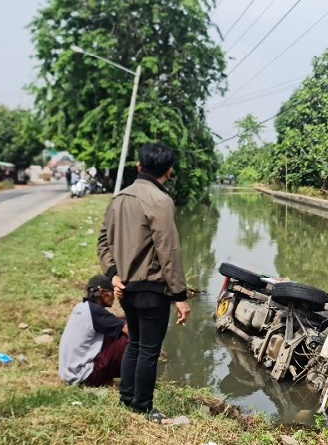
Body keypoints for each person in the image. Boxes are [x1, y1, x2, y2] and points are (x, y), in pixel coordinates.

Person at [97, 141, 191, 421]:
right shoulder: (160, 201)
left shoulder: (119, 199)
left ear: (139, 166)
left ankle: (127, 399)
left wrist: (112, 273)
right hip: (152, 288)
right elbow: (169, 251)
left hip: (125, 288)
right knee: (148, 349)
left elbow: (102, 241)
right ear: (169, 171)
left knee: (136, 344)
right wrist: (180, 296)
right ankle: (143, 406)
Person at [58, 274, 128, 386]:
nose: (113, 296)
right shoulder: (95, 312)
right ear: (101, 292)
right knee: (130, 339)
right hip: (83, 375)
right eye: (111, 291)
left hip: (68, 372)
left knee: (122, 322)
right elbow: (128, 330)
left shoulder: (82, 307)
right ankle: (133, 379)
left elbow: (116, 322)